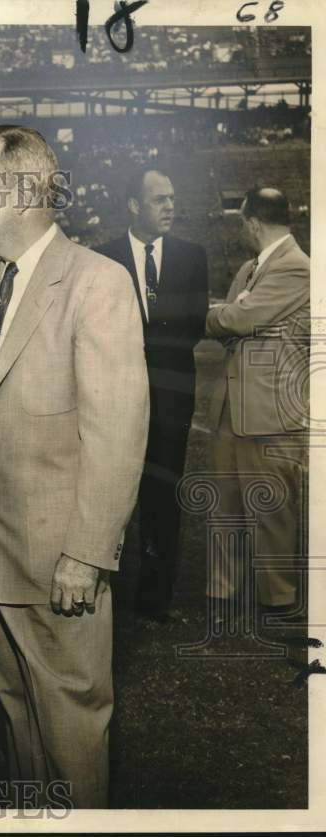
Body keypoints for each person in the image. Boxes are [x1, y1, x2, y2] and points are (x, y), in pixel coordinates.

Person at [0, 125, 148, 808]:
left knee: (71, 731)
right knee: (19, 723)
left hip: (59, 562)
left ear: (22, 192)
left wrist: (86, 553)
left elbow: (117, 433)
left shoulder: (98, 282)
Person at [95, 168, 209, 622]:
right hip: (113, 397)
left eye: (172, 198)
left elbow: (195, 325)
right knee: (108, 493)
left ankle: (155, 599)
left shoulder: (191, 256)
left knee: (163, 497)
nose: (169, 207)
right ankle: (102, 590)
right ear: (134, 205)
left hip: (171, 398)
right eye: (159, 199)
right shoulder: (102, 258)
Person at [205, 187, 309, 629]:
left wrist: (230, 315)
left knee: (271, 506)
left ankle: (278, 596)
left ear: (251, 222)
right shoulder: (252, 268)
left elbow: (233, 320)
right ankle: (223, 593)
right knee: (223, 503)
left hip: (269, 403)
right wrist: (236, 317)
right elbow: (234, 323)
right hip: (233, 399)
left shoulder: (296, 268)